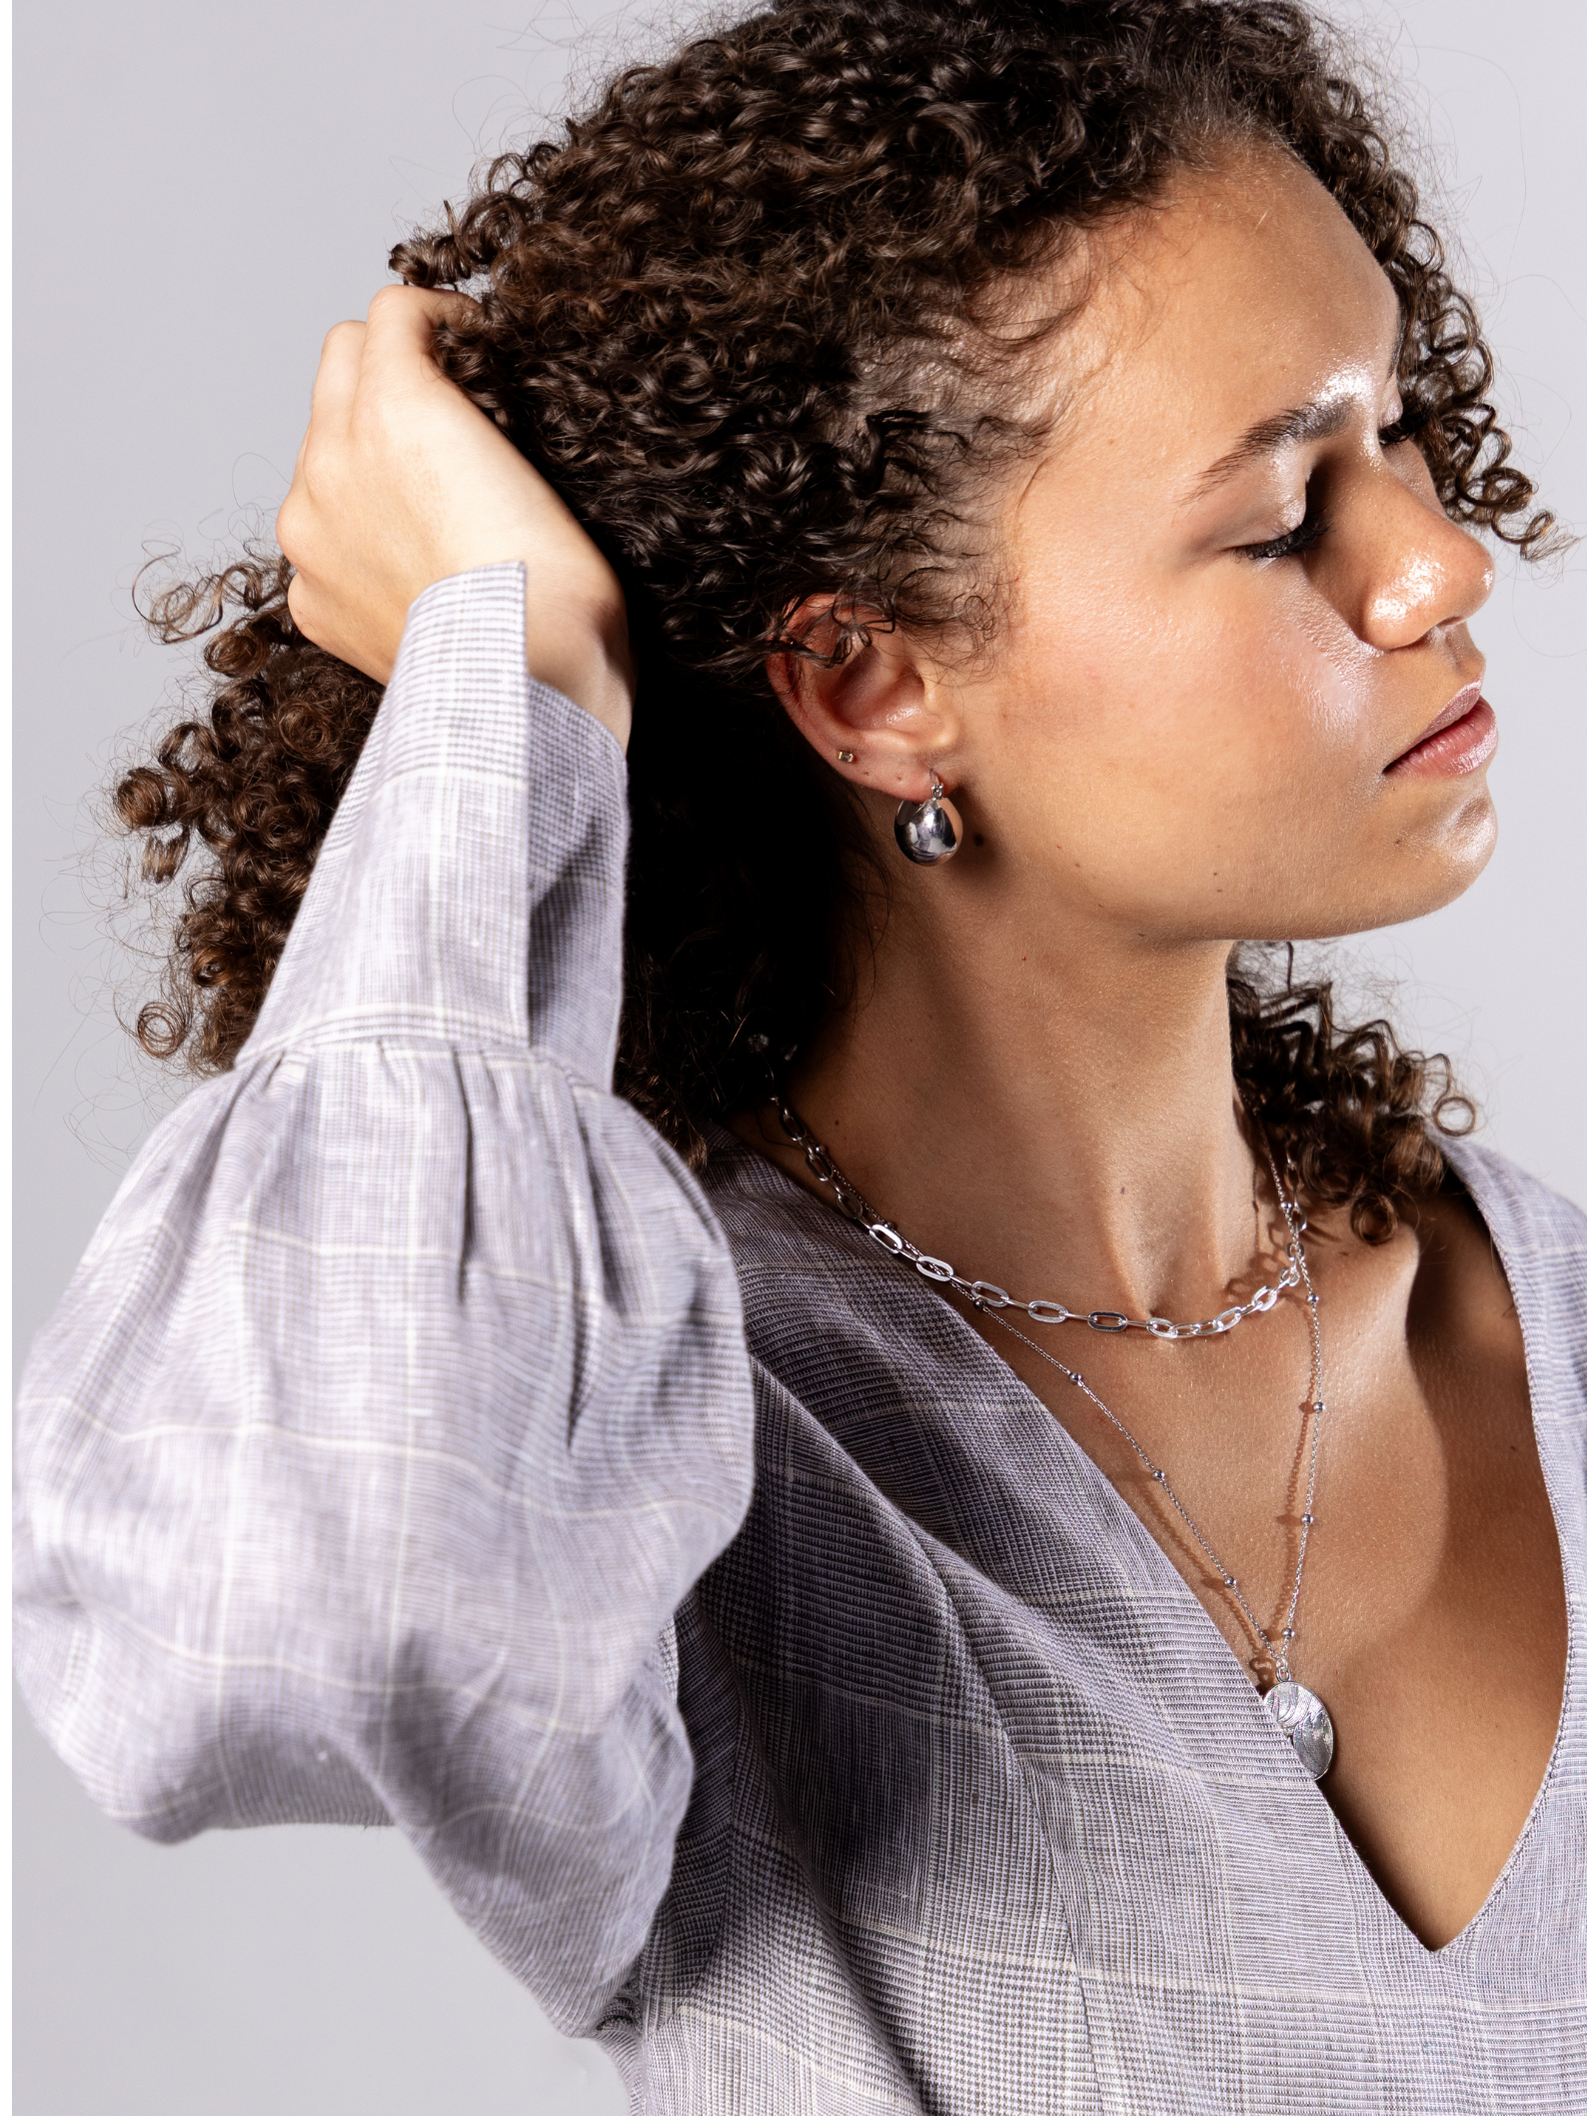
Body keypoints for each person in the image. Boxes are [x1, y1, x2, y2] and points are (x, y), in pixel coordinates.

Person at [14, 0, 1584, 2106]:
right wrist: (512, 666)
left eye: (1394, 434)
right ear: (865, 685)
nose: (1437, 558)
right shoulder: (649, 1432)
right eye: (1290, 505)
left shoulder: (1543, 1321)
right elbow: (300, 1620)